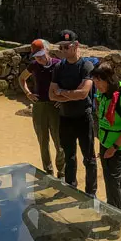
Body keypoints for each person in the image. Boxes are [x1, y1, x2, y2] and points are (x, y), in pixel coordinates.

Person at [49, 30, 98, 195]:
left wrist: (61, 94)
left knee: (89, 157)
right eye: (60, 47)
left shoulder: (86, 66)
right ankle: (71, 188)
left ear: (76, 45)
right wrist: (71, 95)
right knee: (69, 155)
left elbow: (84, 93)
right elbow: (51, 94)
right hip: (65, 117)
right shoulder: (58, 67)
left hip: (83, 117)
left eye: (66, 47)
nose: (62, 50)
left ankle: (91, 192)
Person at [91, 63, 121, 211]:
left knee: (113, 179)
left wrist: (114, 147)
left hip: (118, 146)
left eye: (99, 81)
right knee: (111, 179)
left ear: (108, 79)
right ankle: (119, 208)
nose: (97, 86)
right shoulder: (105, 93)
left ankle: (116, 215)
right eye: (94, 81)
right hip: (105, 142)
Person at [18, 39, 65, 177]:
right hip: (39, 106)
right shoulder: (34, 66)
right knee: (43, 140)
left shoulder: (59, 64)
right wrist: (28, 94)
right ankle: (48, 171)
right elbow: (22, 78)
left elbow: (68, 83)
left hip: (55, 106)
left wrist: (62, 100)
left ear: (47, 50)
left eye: (41, 54)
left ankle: (61, 173)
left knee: (59, 141)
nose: (39, 58)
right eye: (36, 56)